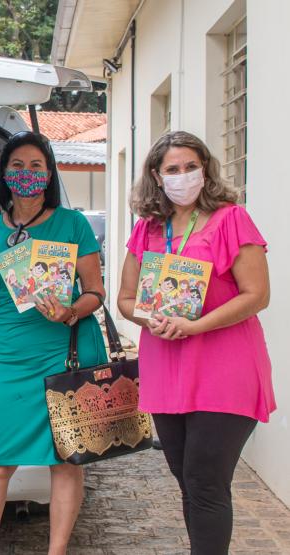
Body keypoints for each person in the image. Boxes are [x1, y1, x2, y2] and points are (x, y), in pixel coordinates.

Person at [117, 131, 273, 555]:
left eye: (191, 167)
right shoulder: (148, 228)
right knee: (187, 479)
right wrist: (154, 319)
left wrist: (195, 325)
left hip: (225, 368)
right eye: (172, 169)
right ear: (156, 175)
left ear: (206, 170)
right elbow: (126, 300)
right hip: (167, 370)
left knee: (206, 481)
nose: (183, 176)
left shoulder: (231, 218)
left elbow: (256, 294)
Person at [0, 132, 106, 555]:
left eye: (36, 166)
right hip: (9, 360)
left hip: (68, 355)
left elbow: (96, 291)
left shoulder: (73, 224)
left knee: (67, 461)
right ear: (5, 174)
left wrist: (70, 311)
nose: (27, 174)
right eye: (18, 166)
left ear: (49, 173)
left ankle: (55, 551)